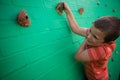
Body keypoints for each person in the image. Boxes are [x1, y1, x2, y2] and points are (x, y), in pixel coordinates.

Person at [57, 2, 120, 80]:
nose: (89, 35)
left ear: (105, 43)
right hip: (95, 71)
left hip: (97, 78)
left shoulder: (102, 51)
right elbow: (76, 29)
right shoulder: (96, 33)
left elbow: (77, 57)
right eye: (90, 30)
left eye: (94, 37)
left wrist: (86, 40)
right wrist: (67, 11)